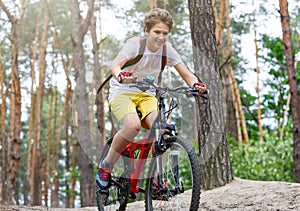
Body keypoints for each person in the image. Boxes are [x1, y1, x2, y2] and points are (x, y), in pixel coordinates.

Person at [96, 8, 207, 190]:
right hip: (122, 92)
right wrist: (120, 75)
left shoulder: (167, 50)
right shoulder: (135, 45)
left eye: (165, 33)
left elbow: (187, 74)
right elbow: (114, 65)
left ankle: (157, 180)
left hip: (147, 94)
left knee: (162, 130)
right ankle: (106, 166)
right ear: (147, 31)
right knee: (133, 126)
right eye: (157, 32)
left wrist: (196, 85)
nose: (161, 37)